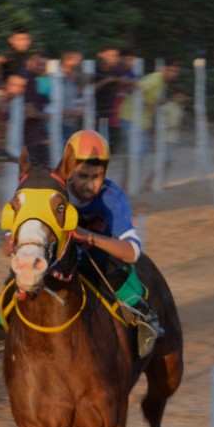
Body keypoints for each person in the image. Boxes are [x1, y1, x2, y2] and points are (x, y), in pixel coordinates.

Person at [57, 130, 162, 356]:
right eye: (82, 175)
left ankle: (143, 317)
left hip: (98, 257)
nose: (90, 184)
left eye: (97, 176)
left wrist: (90, 236)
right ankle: (3, 333)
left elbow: (133, 252)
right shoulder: (56, 191)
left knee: (110, 264)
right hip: (61, 256)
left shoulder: (112, 196)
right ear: (68, 171)